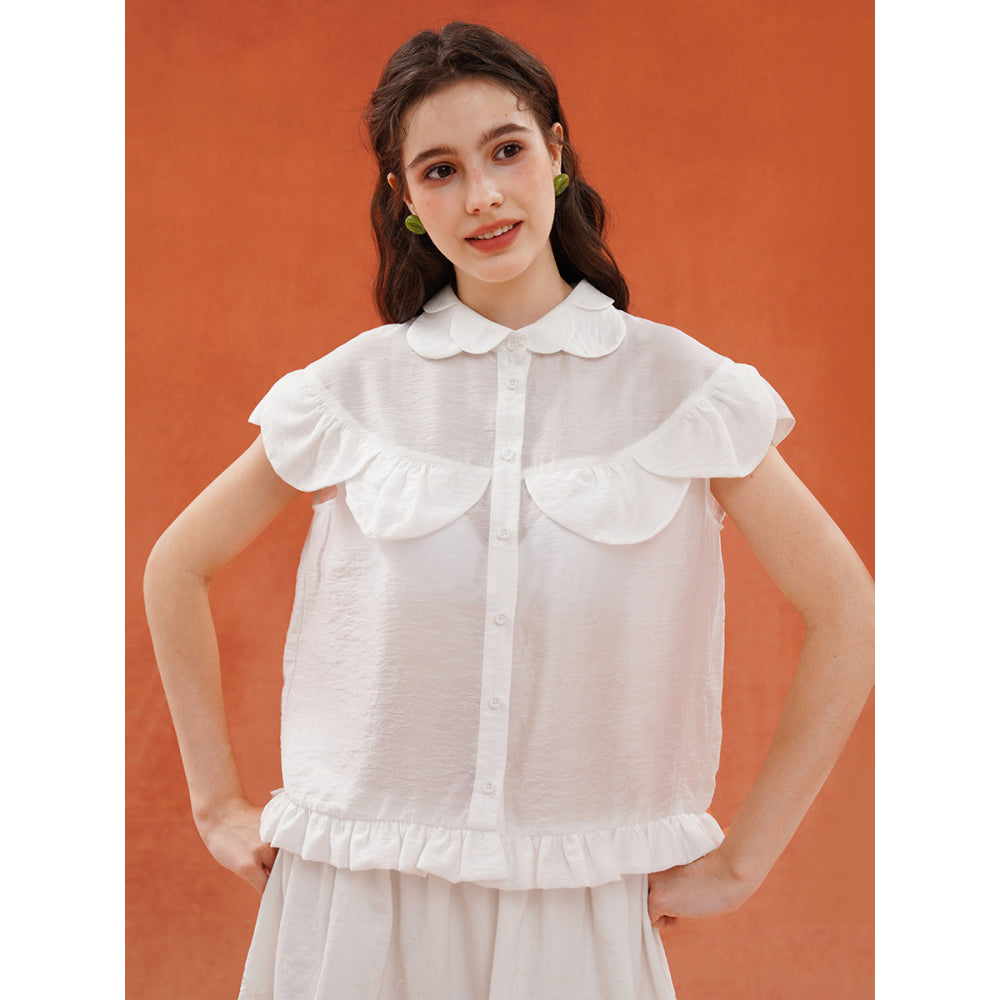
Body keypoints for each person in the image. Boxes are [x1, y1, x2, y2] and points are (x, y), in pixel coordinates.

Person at [143, 21, 874, 1000]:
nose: (482, 195)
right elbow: (176, 566)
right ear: (405, 199)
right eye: (440, 171)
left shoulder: (680, 388)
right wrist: (215, 805)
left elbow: (846, 610)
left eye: (506, 150)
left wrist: (743, 861)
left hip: (572, 905)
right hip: (355, 901)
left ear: (555, 152)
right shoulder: (351, 390)